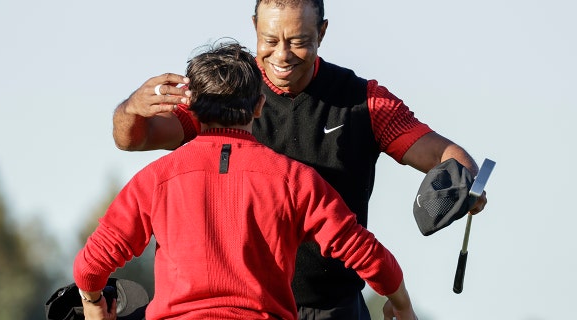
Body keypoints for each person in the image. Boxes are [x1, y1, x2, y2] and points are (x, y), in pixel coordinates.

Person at [111, 0, 488, 319]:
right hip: (253, 308)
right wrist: (131, 109)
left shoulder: (364, 101)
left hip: (334, 306)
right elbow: (136, 138)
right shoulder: (228, 95)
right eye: (270, 40)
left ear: (322, 32)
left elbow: (443, 154)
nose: (282, 55)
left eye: (298, 41)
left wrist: (466, 179)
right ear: (254, 27)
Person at [74, 41, 418, 320]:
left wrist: (93, 306)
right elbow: (365, 253)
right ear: (259, 106)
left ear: (190, 107)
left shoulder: (156, 179)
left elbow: (90, 266)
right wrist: (400, 303)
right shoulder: (295, 180)